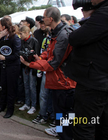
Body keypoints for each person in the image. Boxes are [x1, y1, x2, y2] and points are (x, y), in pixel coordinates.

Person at [20, 7, 76, 140]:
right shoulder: (56, 32)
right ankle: (60, 132)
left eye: (44, 17)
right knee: (60, 115)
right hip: (58, 83)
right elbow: (50, 53)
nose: (41, 20)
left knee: (66, 116)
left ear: (50, 19)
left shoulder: (63, 35)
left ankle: (65, 135)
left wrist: (30, 64)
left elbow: (54, 63)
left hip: (65, 83)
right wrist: (39, 57)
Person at [66, 0, 108, 140]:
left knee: (84, 126)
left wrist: (89, 17)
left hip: (93, 84)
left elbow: (75, 38)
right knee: (101, 126)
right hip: (100, 82)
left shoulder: (103, 15)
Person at [0, 17, 21, 118]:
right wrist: (0, 36)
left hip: (13, 66)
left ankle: (10, 109)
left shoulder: (15, 38)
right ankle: (2, 106)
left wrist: (6, 58)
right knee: (3, 86)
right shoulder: (3, 37)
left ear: (4, 26)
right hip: (3, 66)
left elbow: (17, 55)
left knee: (11, 88)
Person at [18, 26, 39, 115]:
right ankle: (27, 103)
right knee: (26, 85)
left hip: (32, 66)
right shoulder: (22, 41)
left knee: (32, 86)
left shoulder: (34, 41)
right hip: (24, 66)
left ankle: (33, 105)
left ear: (26, 33)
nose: (20, 35)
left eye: (21, 33)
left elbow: (37, 55)